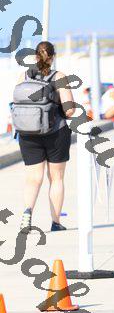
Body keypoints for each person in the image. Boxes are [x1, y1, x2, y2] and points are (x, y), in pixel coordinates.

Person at [15, 41, 75, 232]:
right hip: (55, 133)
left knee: (33, 178)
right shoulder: (59, 77)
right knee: (56, 178)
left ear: (35, 56)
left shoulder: (24, 76)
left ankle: (27, 214)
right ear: (53, 56)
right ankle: (56, 222)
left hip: (27, 133)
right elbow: (70, 110)